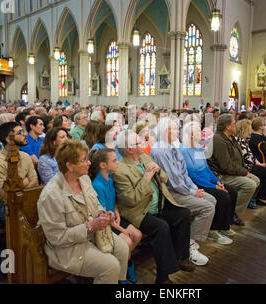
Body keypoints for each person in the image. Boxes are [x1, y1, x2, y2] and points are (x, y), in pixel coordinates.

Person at [37, 140, 129, 284]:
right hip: (69, 248)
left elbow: (96, 204)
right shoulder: (51, 195)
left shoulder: (84, 179)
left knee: (123, 248)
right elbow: (57, 238)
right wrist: (90, 226)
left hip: (92, 235)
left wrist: (102, 214)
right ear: (70, 166)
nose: (89, 163)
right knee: (110, 266)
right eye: (84, 160)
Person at [113, 130, 194, 284]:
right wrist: (146, 178)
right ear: (129, 149)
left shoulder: (144, 157)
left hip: (160, 206)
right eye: (138, 143)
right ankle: (163, 277)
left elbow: (164, 178)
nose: (143, 144)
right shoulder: (120, 170)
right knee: (161, 227)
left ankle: (181, 257)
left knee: (183, 214)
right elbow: (131, 200)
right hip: (141, 212)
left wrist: (157, 169)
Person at [151, 117, 216, 266]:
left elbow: (184, 174)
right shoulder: (160, 150)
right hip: (171, 194)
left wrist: (194, 189)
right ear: (166, 131)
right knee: (208, 207)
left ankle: (188, 239)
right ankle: (189, 244)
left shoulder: (172, 146)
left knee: (212, 199)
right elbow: (173, 181)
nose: (178, 131)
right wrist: (193, 193)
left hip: (182, 189)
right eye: (174, 129)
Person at [89, 148, 142, 284]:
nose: (118, 162)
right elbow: (104, 215)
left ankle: (126, 263)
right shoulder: (97, 185)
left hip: (114, 218)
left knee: (137, 235)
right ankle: (121, 273)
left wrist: (117, 212)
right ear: (103, 165)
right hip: (106, 224)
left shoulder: (111, 177)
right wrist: (122, 229)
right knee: (128, 240)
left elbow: (113, 202)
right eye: (114, 160)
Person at [180, 121, 244, 227]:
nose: (201, 133)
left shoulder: (197, 146)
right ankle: (215, 229)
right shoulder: (184, 150)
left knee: (232, 192)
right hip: (196, 184)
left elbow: (206, 168)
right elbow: (192, 176)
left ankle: (227, 222)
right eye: (198, 131)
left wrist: (217, 181)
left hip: (207, 181)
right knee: (224, 196)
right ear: (191, 135)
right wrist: (213, 186)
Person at [207, 114, 260, 216]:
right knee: (250, 184)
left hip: (232, 172)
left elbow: (237, 158)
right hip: (222, 175)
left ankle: (233, 209)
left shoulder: (230, 137)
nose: (236, 125)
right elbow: (225, 165)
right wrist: (244, 172)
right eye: (234, 124)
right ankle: (232, 213)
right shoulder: (218, 140)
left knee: (256, 180)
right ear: (227, 126)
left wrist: (244, 172)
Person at [0, 122, 38, 225]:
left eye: (23, 131)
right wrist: (26, 180)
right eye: (20, 132)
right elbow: (6, 194)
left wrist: (20, 184)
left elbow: (35, 181)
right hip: (4, 205)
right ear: (8, 139)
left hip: (27, 197)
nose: (25, 134)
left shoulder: (25, 156)